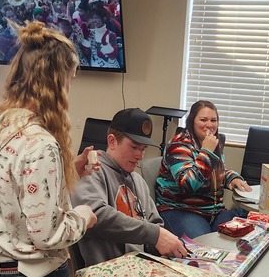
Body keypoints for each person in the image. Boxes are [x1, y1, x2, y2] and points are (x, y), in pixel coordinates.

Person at [0, 21, 98, 277]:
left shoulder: (0, 126)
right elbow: (46, 234)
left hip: (5, 271)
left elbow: (18, 196)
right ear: (56, 82)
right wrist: (83, 217)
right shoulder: (41, 144)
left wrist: (71, 172)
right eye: (69, 79)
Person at [71, 108, 188, 267]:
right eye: (134, 147)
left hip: (142, 267)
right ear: (112, 141)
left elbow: (155, 224)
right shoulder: (91, 171)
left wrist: (167, 245)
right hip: (108, 274)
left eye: (143, 149)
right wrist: (154, 235)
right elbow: (95, 215)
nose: (140, 156)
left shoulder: (138, 180)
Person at [154, 100, 251, 239]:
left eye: (213, 120)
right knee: (204, 249)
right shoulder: (178, 145)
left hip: (213, 211)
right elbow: (188, 184)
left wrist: (231, 177)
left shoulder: (212, 143)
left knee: (241, 236)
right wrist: (207, 152)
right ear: (192, 120)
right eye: (203, 120)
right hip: (181, 210)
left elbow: (215, 172)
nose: (209, 125)